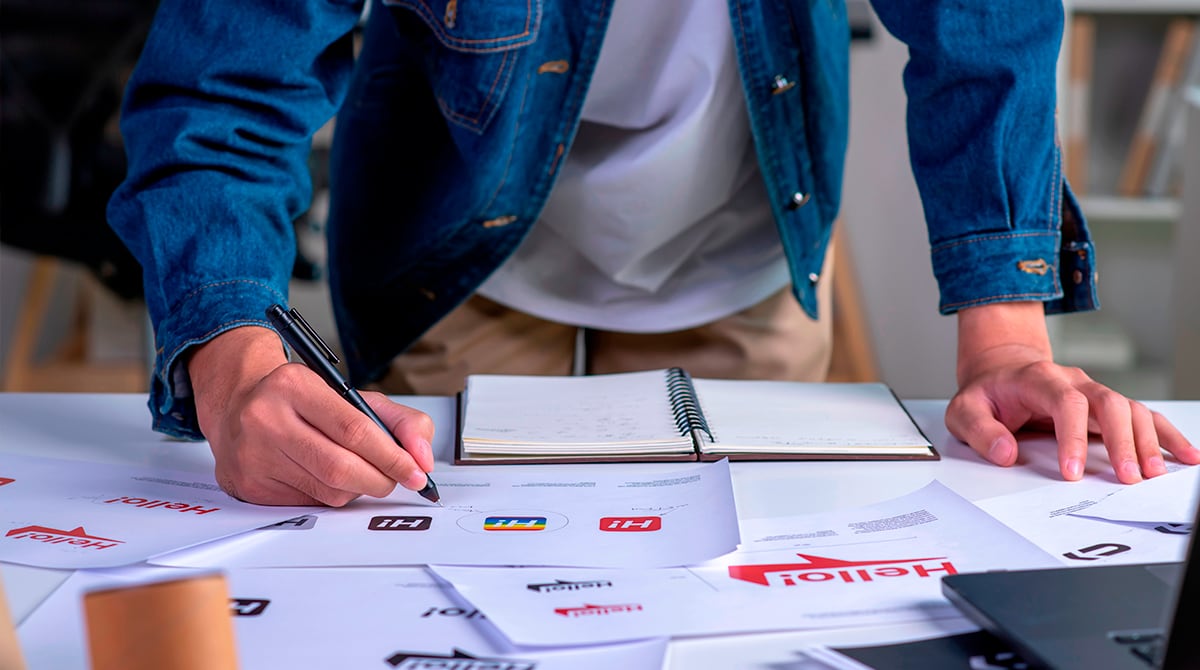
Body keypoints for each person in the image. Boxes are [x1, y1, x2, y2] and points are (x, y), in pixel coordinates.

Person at [107, 0, 1198, 507]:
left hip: (741, 237)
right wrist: (231, 357)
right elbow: (224, 76)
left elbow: (982, 22)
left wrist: (1006, 340)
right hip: (455, 245)